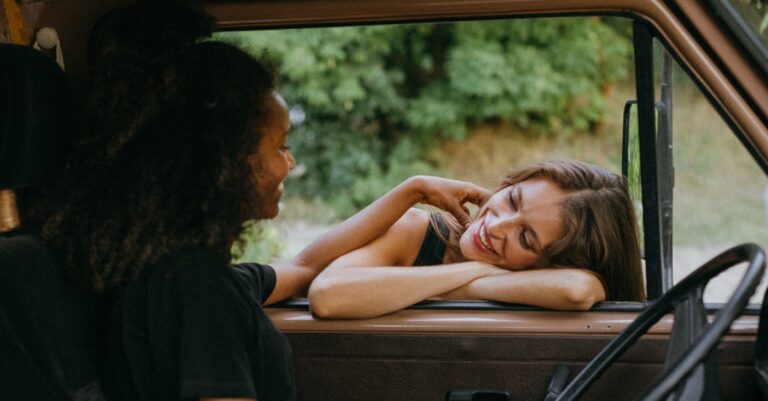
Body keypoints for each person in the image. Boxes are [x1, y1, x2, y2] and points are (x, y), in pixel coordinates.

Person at [35, 4, 494, 401]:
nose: (290, 164)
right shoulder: (193, 288)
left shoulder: (188, 273)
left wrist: (413, 190)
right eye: (280, 146)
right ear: (226, 161)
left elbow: (308, 269)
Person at [308, 160, 647, 319]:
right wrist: (476, 272)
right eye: (512, 200)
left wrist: (470, 283)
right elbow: (328, 296)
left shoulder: (558, 280)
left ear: (554, 263)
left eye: (525, 238)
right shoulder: (417, 231)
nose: (497, 226)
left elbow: (578, 289)